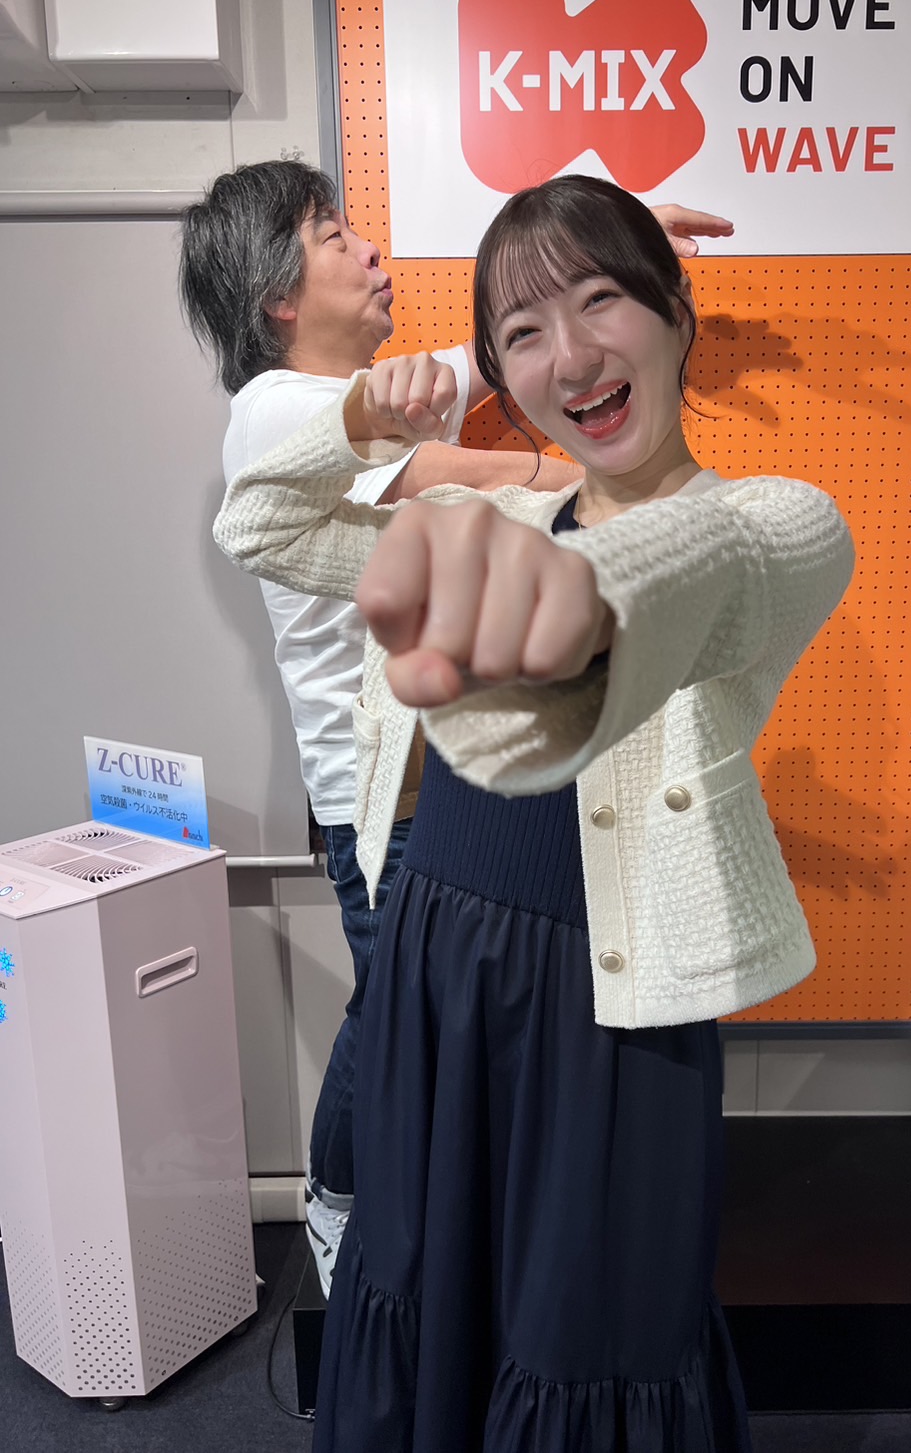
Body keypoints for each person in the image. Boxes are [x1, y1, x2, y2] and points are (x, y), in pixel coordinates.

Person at [214, 174, 853, 1452]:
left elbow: (703, 571)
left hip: (611, 1015)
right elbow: (261, 523)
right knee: (420, 1292)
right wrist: (358, 413)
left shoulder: (775, 521)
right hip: (433, 974)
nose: (569, 355)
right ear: (499, 372)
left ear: (678, 314)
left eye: (602, 300)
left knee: (588, 1338)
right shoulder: (481, 513)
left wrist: (578, 598)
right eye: (522, 331)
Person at [179, 159, 733, 1294]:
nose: (369, 250)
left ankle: (413, 1215)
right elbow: (453, 469)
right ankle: (340, 1200)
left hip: (451, 785)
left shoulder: (360, 396)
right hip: (381, 793)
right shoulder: (278, 409)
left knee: (433, 1016)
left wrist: (600, 250)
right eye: (333, 236)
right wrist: (597, 479)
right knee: (395, 1017)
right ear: (278, 294)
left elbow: (487, 362)